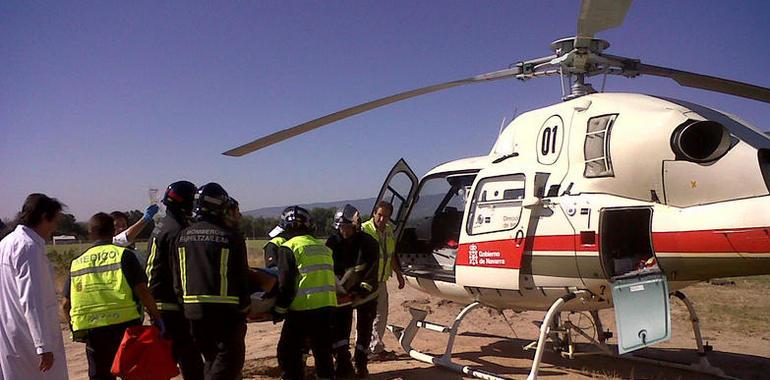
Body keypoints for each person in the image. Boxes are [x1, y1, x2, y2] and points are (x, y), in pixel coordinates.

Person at [62, 212, 161, 380]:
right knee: (131, 372)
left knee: (100, 374)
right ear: (112, 231)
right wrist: (157, 318)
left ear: (90, 232)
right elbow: (143, 291)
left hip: (93, 331)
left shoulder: (77, 262)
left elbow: (65, 304)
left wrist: (74, 327)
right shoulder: (124, 255)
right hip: (125, 327)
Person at [175, 183, 251, 380]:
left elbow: (177, 276)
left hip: (193, 311)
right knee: (229, 362)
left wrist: (184, 303)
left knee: (210, 359)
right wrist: (245, 305)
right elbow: (241, 274)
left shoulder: (182, 236)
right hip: (225, 311)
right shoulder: (231, 237)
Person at [0, 194, 69, 380]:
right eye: (54, 220)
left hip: (12, 333)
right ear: (44, 217)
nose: (55, 227)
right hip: (30, 340)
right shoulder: (28, 247)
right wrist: (43, 346)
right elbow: (32, 300)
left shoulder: (6, 243)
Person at [145, 181, 203, 380]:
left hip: (158, 302)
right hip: (173, 304)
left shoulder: (161, 226)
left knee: (166, 360)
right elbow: (183, 271)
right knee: (190, 357)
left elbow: (151, 267)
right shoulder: (180, 230)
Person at [273, 206, 337, 380]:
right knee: (323, 355)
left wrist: (278, 310)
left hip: (301, 311)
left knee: (287, 353)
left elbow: (286, 285)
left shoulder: (289, 248)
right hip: (327, 309)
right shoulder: (324, 248)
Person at [325, 205, 380, 378]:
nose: (344, 231)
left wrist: (361, 291)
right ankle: (343, 364)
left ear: (356, 226)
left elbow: (372, 272)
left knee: (364, 331)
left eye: (347, 227)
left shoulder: (369, 243)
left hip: (366, 295)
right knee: (340, 331)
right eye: (341, 227)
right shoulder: (332, 243)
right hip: (342, 295)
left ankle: (361, 365)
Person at [362, 201, 405, 360]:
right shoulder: (364, 230)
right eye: (379, 215)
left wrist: (399, 275)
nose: (382, 219)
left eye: (386, 216)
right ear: (374, 214)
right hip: (366, 282)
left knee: (381, 316)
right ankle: (363, 349)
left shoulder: (388, 231)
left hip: (381, 281)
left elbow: (391, 255)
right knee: (365, 317)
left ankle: (375, 348)